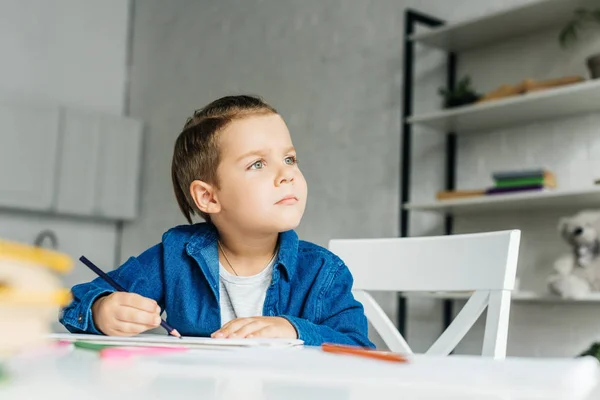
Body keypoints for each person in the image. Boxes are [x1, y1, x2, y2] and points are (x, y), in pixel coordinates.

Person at [59, 94, 373, 348]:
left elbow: (358, 347)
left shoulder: (323, 271)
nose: (287, 174)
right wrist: (101, 311)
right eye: (258, 163)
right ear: (209, 197)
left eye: (289, 158)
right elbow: (75, 302)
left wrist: (292, 329)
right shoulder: (176, 256)